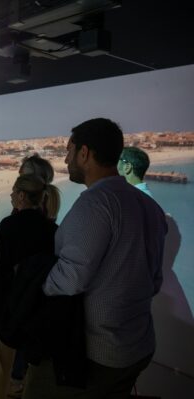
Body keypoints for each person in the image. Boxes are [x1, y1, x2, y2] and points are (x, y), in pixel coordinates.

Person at [23, 118, 167, 399]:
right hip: (137, 345)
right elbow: (155, 280)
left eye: (69, 151)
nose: (66, 159)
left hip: (95, 352)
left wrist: (32, 283)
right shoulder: (150, 206)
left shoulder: (95, 203)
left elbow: (70, 279)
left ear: (85, 153)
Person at [0, 174, 60, 399]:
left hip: (10, 314)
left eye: (12, 191)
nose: (10, 196)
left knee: (1, 372)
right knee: (26, 374)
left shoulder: (9, 226)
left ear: (21, 195)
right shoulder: (53, 230)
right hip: (38, 312)